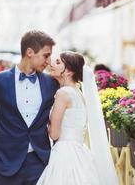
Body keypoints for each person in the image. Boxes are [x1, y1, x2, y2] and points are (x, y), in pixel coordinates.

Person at [0, 30, 58, 185]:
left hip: (40, 164)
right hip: (3, 165)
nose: (49, 61)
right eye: (46, 55)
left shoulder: (51, 83)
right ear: (30, 52)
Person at [37, 51, 119, 185]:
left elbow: (54, 134)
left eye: (58, 63)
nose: (52, 65)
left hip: (64, 152)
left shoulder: (62, 93)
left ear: (68, 71)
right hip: (80, 150)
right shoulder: (80, 94)